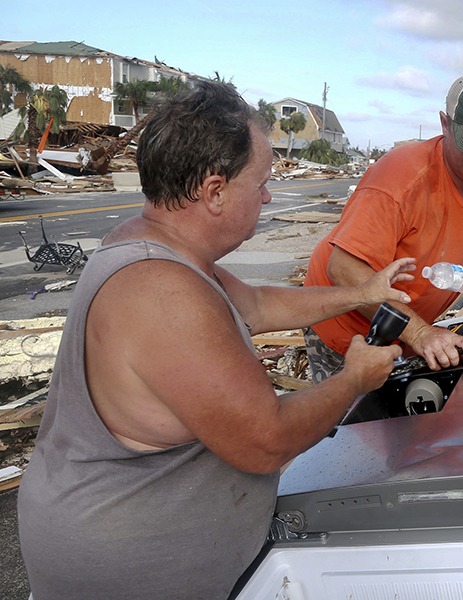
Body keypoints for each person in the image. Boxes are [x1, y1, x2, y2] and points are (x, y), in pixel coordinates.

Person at [17, 81, 416, 600]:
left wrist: (361, 292)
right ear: (214, 190)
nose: (269, 195)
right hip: (127, 573)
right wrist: (353, 380)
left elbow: (255, 305)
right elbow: (266, 440)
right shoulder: (161, 290)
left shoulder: (158, 245)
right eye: (262, 182)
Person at [303, 73, 463, 380]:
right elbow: (343, 269)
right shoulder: (399, 178)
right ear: (445, 124)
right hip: (345, 324)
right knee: (348, 421)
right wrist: (420, 333)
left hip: (409, 325)